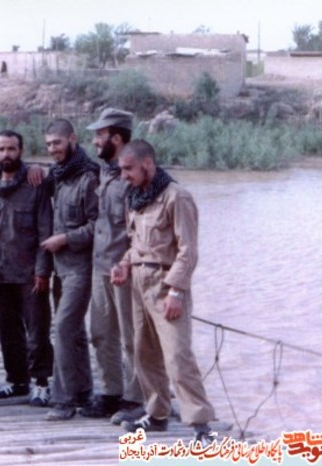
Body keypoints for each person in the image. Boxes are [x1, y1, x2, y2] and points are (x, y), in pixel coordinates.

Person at [111, 139, 216, 443]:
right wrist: (124, 264)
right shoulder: (136, 197)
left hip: (165, 285)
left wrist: (176, 292)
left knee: (178, 357)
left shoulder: (177, 197)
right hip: (138, 284)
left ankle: (201, 426)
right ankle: (157, 414)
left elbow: (188, 251)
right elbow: (136, 244)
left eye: (128, 169)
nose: (124, 176)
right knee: (144, 353)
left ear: (147, 164)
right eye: (121, 169)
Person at [78, 109, 145, 424]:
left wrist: (129, 262)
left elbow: (145, 230)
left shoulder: (138, 176)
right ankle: (110, 393)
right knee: (101, 334)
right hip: (100, 267)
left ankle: (136, 397)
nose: (94, 141)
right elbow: (67, 162)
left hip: (127, 270)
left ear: (116, 138)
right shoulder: (104, 171)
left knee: (133, 338)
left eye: (99, 135)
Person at [0, 130, 54, 407]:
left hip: (30, 274)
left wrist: (42, 270)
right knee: (8, 331)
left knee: (37, 332)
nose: (6, 154)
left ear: (21, 151)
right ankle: (17, 380)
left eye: (11, 149)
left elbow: (45, 230)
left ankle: (41, 383)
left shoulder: (35, 184)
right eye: (1, 149)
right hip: (1, 274)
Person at [40, 119, 99, 421]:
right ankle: (84, 392)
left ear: (72, 139)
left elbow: (98, 225)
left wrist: (65, 238)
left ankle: (63, 401)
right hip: (59, 269)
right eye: (48, 144)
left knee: (63, 328)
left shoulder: (89, 178)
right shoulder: (58, 175)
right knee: (74, 332)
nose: (53, 149)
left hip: (81, 268)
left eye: (57, 143)